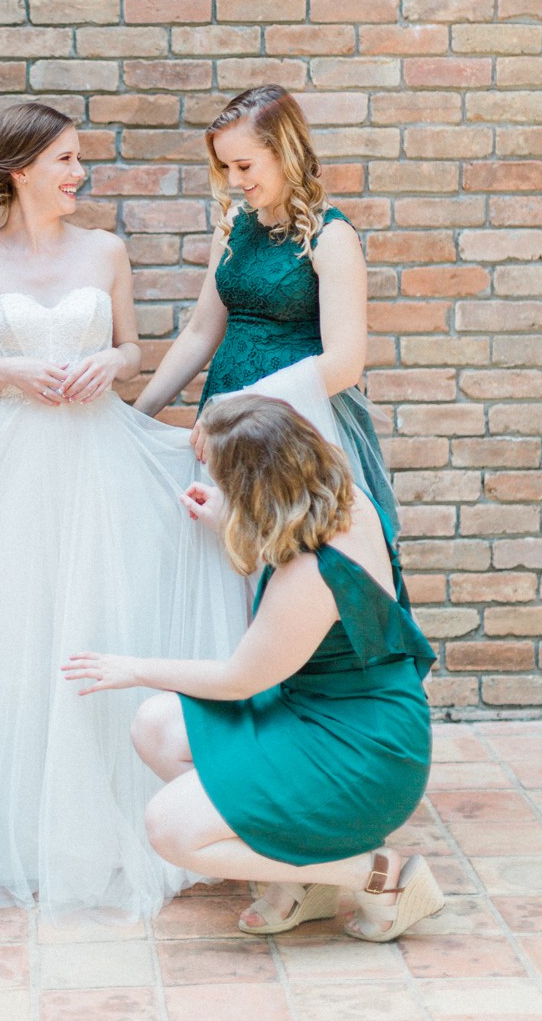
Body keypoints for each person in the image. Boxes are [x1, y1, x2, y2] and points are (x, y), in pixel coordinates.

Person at [0, 102, 249, 917]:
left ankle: (105, 819)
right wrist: (11, 377)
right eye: (66, 160)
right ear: (22, 169)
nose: (79, 173)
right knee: (18, 625)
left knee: (99, 613)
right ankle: (18, 823)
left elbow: (135, 352)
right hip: (15, 463)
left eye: (79, 159)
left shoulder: (106, 250)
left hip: (96, 454)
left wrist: (107, 360)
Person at [64, 394, 440, 943]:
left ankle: (377, 875)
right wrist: (226, 517)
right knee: (156, 726)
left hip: (364, 755)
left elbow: (239, 679)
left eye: (224, 478)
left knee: (170, 829)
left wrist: (134, 665)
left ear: (258, 485)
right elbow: (287, 545)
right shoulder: (341, 496)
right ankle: (300, 877)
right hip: (324, 713)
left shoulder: (312, 575)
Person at [134, 85, 398, 533]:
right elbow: (200, 332)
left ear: (285, 152)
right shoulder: (234, 228)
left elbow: (345, 363)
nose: (234, 180)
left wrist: (235, 406)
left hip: (295, 426)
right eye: (225, 167)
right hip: (223, 427)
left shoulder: (331, 237)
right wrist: (137, 417)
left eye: (244, 165)